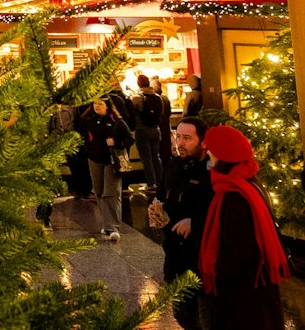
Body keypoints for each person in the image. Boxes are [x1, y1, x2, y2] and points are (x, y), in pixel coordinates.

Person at [198, 123, 288, 330]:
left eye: (210, 150)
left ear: (223, 154)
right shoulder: (247, 183)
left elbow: (239, 252)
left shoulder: (235, 195)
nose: (208, 155)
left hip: (244, 299)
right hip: (257, 294)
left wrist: (215, 272)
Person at [148, 116, 214, 329]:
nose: (180, 142)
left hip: (201, 257)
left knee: (205, 317)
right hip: (175, 254)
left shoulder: (212, 171)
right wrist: (156, 208)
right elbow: (161, 195)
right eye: (178, 136)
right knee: (182, 313)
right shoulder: (173, 165)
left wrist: (196, 222)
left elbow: (223, 209)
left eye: (187, 138)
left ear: (203, 142)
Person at [77, 95, 134, 241]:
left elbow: (130, 139)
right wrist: (86, 149)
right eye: (95, 103)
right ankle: (106, 223)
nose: (96, 106)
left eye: (100, 104)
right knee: (99, 191)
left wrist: (117, 142)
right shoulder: (89, 120)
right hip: (94, 160)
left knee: (111, 193)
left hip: (111, 161)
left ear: (107, 105)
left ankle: (112, 227)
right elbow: (82, 135)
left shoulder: (116, 121)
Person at [134, 73, 166, 191]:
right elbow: (161, 113)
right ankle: (160, 181)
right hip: (156, 129)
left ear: (138, 84)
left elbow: (133, 112)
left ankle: (151, 183)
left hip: (142, 129)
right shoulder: (158, 97)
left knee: (146, 157)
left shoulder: (137, 97)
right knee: (156, 156)